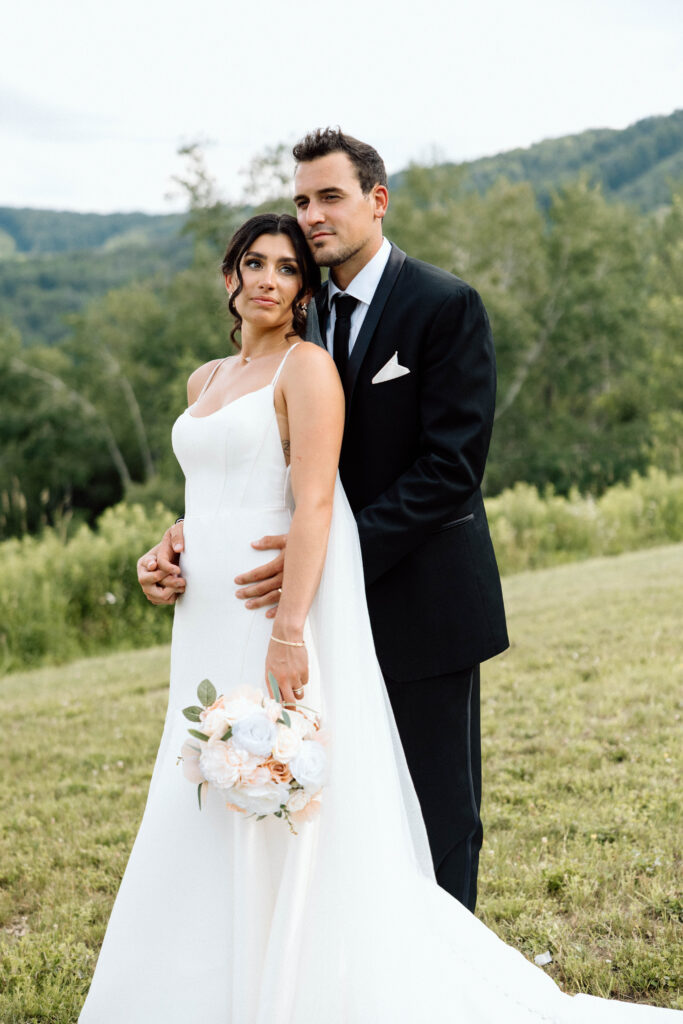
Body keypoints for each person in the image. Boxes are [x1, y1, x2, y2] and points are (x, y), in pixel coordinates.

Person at [83, 210, 679, 1023]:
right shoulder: (203, 381)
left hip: (270, 608)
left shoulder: (309, 368)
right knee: (204, 771)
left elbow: (316, 499)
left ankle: (291, 970)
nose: (266, 278)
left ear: (303, 289)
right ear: (228, 276)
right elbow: (207, 490)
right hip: (206, 615)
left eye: (286, 268)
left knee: (281, 775)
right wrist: (171, 545)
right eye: (251, 263)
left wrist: (291, 628)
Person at [138, 128, 509, 914]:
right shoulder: (301, 331)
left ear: (377, 201)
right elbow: (268, 461)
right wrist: (187, 536)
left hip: (420, 597)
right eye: (302, 199)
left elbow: (450, 469)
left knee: (437, 809)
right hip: (299, 601)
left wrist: (328, 555)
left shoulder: (443, 306)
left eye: (329, 197)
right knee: (335, 803)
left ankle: (443, 973)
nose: (311, 214)